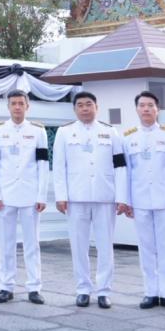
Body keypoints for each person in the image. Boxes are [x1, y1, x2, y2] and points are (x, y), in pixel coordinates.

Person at [53, 91, 129, 308]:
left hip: (105, 196)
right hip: (76, 197)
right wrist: (61, 196)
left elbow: (120, 166)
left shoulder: (110, 132)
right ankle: (83, 289)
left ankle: (104, 290)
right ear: (75, 109)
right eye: (80, 105)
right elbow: (58, 166)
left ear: (97, 107)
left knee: (105, 246)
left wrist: (121, 197)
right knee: (79, 246)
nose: (85, 108)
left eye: (89, 104)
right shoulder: (64, 132)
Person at [122, 91, 165, 311]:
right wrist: (126, 200)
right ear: (137, 109)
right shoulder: (128, 137)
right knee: (146, 248)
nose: (146, 109)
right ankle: (150, 292)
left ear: (157, 109)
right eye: (142, 105)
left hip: (164, 199)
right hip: (139, 200)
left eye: (150, 105)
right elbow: (125, 172)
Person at [0, 90, 49, 305]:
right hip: (6, 195)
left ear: (27, 106)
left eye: (21, 103)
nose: (17, 107)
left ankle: (34, 287)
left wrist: (41, 195)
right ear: (8, 106)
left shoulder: (38, 131)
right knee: (6, 244)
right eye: (13, 103)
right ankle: (6, 286)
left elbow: (43, 165)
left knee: (32, 244)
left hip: (30, 195)